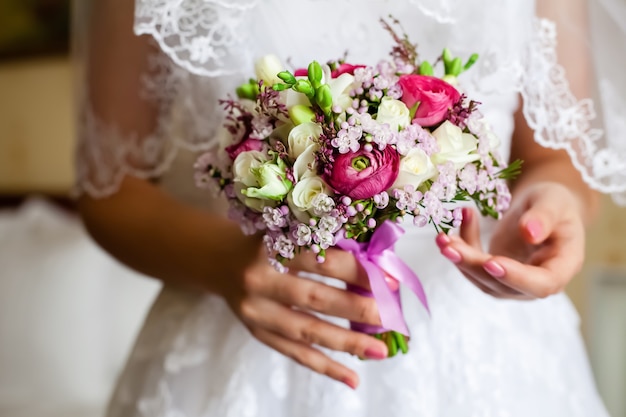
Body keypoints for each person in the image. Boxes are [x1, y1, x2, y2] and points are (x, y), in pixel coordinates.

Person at [74, 0, 619, 415]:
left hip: (488, 355)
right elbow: (110, 190)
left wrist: (548, 211)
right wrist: (224, 262)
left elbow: (555, 161)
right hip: (238, 348)